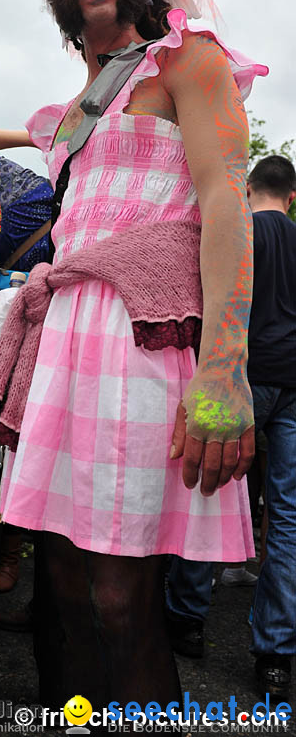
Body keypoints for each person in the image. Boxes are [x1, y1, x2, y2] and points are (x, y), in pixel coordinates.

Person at [0, 0, 267, 713]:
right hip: (64, 347)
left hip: (141, 343)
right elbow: (33, 142)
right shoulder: (75, 111)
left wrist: (224, 369)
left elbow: (223, 207)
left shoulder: (189, 60)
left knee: (119, 600)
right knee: (62, 591)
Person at [246, 155, 296, 700]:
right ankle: (276, 655)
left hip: (240, 378)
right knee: (286, 515)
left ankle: (185, 614)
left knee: (209, 490)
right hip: (294, 383)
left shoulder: (239, 232)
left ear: (249, 187)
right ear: (292, 195)